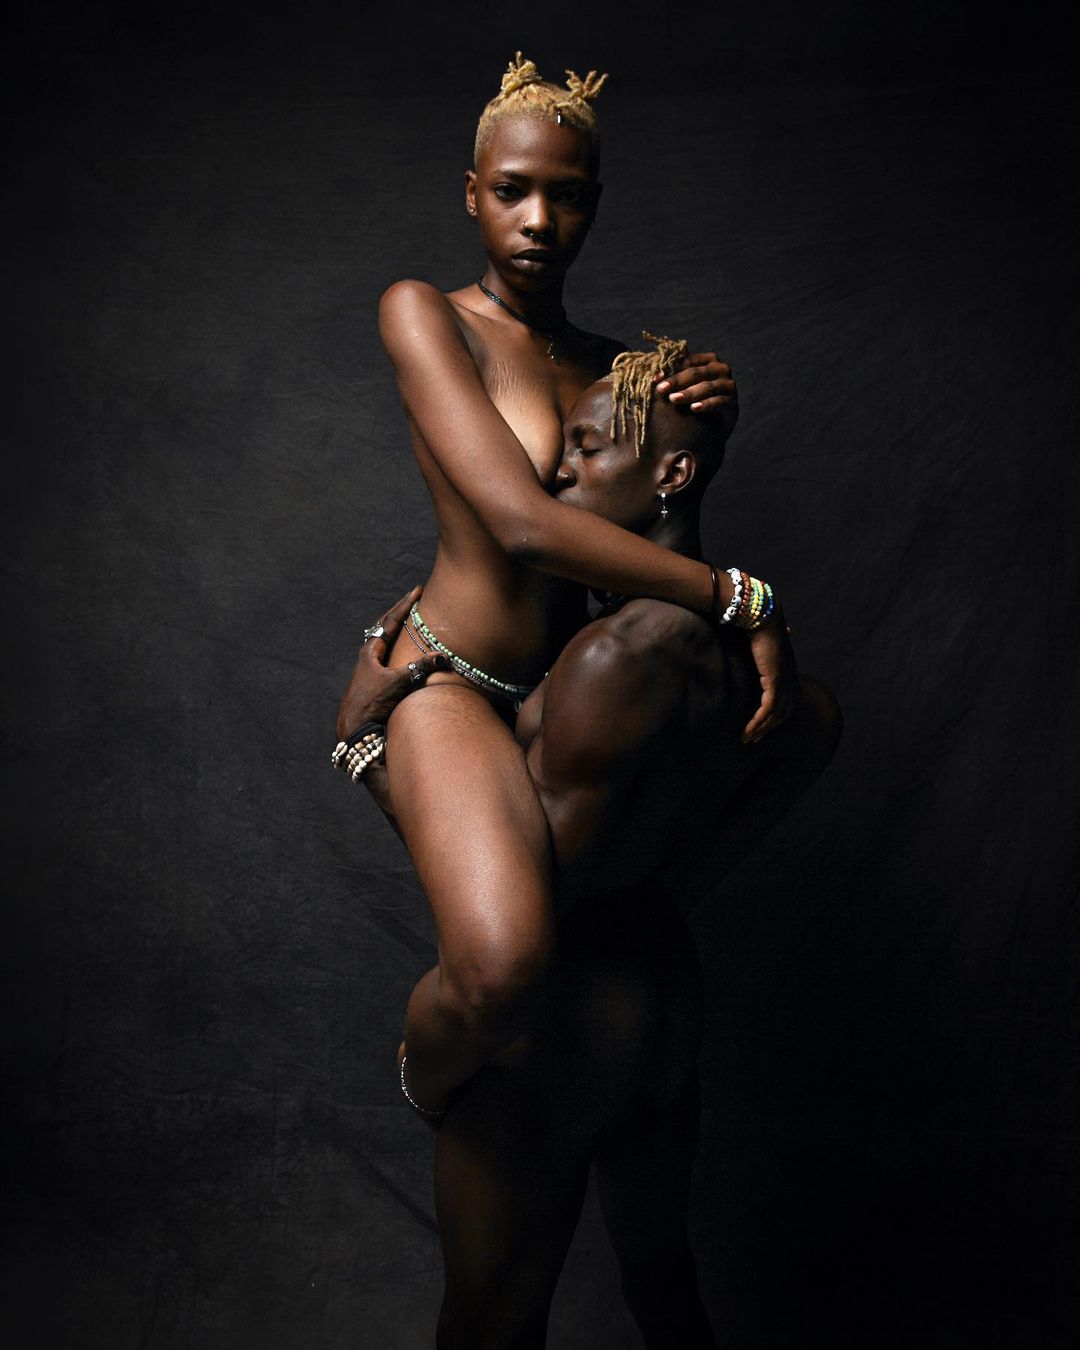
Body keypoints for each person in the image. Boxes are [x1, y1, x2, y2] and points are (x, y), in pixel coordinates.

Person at [336, 337, 841, 1349]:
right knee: (666, 1293)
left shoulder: (614, 659)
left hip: (563, 1024)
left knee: (490, 1323)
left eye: (588, 450)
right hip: (665, 996)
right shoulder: (761, 672)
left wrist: (365, 747)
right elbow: (796, 757)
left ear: (673, 474)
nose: (558, 474)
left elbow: (531, 895)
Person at [362, 52, 796, 1125]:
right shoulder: (426, 315)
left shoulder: (615, 370)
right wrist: (736, 597)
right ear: (472, 194)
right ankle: (428, 1082)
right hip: (450, 683)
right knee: (505, 968)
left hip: (563, 700)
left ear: (594, 206)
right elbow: (521, 524)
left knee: (609, 949)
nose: (539, 220)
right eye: (512, 190)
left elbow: (646, 516)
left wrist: (708, 430)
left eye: (567, 196)